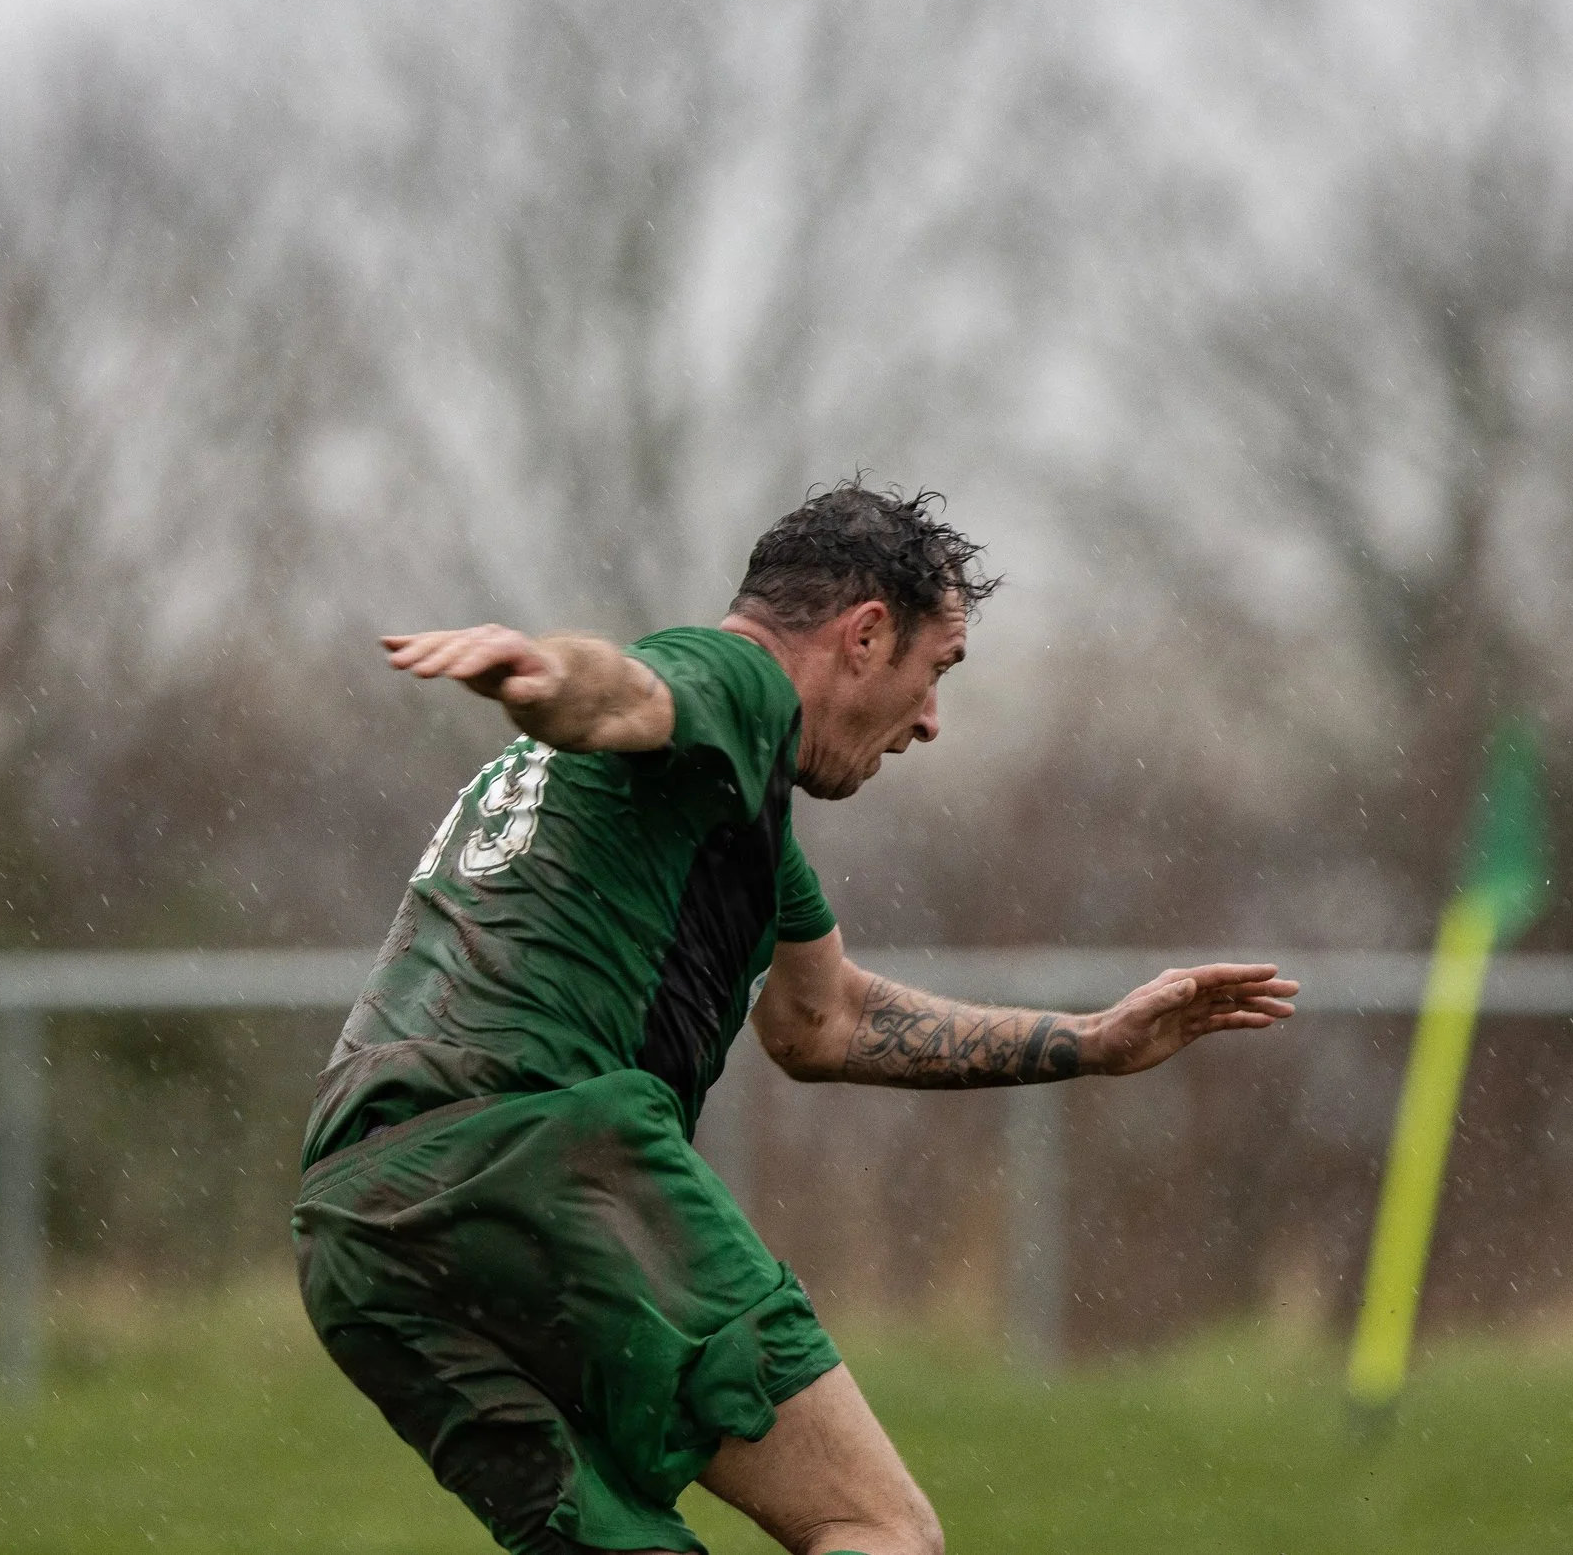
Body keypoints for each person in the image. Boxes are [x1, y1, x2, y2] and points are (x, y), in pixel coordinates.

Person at [290, 482, 1298, 1555]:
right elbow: (624, 689)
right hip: (540, 1155)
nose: (929, 722)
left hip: (359, 1226)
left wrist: (1092, 1041)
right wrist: (546, 676)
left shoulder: (725, 821)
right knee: (875, 1527)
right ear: (865, 635)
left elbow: (822, 1019)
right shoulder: (743, 680)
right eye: (934, 672)